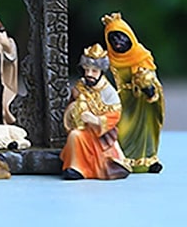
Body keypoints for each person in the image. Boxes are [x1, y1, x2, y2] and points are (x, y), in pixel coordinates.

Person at [103, 12, 164, 173]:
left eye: (121, 36)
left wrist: (150, 89)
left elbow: (152, 79)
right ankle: (122, 159)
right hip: (120, 102)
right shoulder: (107, 61)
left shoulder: (141, 56)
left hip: (141, 102)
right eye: (112, 38)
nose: (118, 42)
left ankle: (147, 159)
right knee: (122, 131)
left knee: (145, 131)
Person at [60, 43, 130, 180]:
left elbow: (115, 115)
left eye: (94, 71)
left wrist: (96, 120)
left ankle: (90, 168)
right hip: (83, 128)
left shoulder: (109, 92)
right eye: (86, 70)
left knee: (77, 137)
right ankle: (76, 168)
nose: (89, 74)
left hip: (100, 134)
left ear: (101, 72)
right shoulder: (81, 85)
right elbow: (72, 105)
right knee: (74, 135)